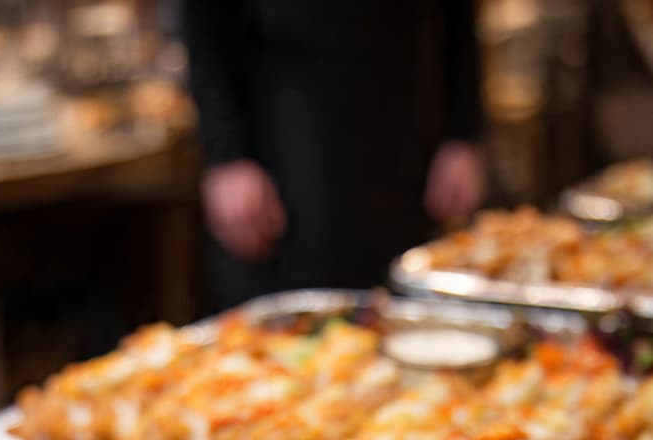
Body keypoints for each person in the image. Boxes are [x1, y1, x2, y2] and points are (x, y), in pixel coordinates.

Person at [182, 0, 485, 307]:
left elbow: (458, 18)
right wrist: (227, 156)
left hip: (405, 128)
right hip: (287, 132)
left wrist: (463, 134)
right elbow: (204, 30)